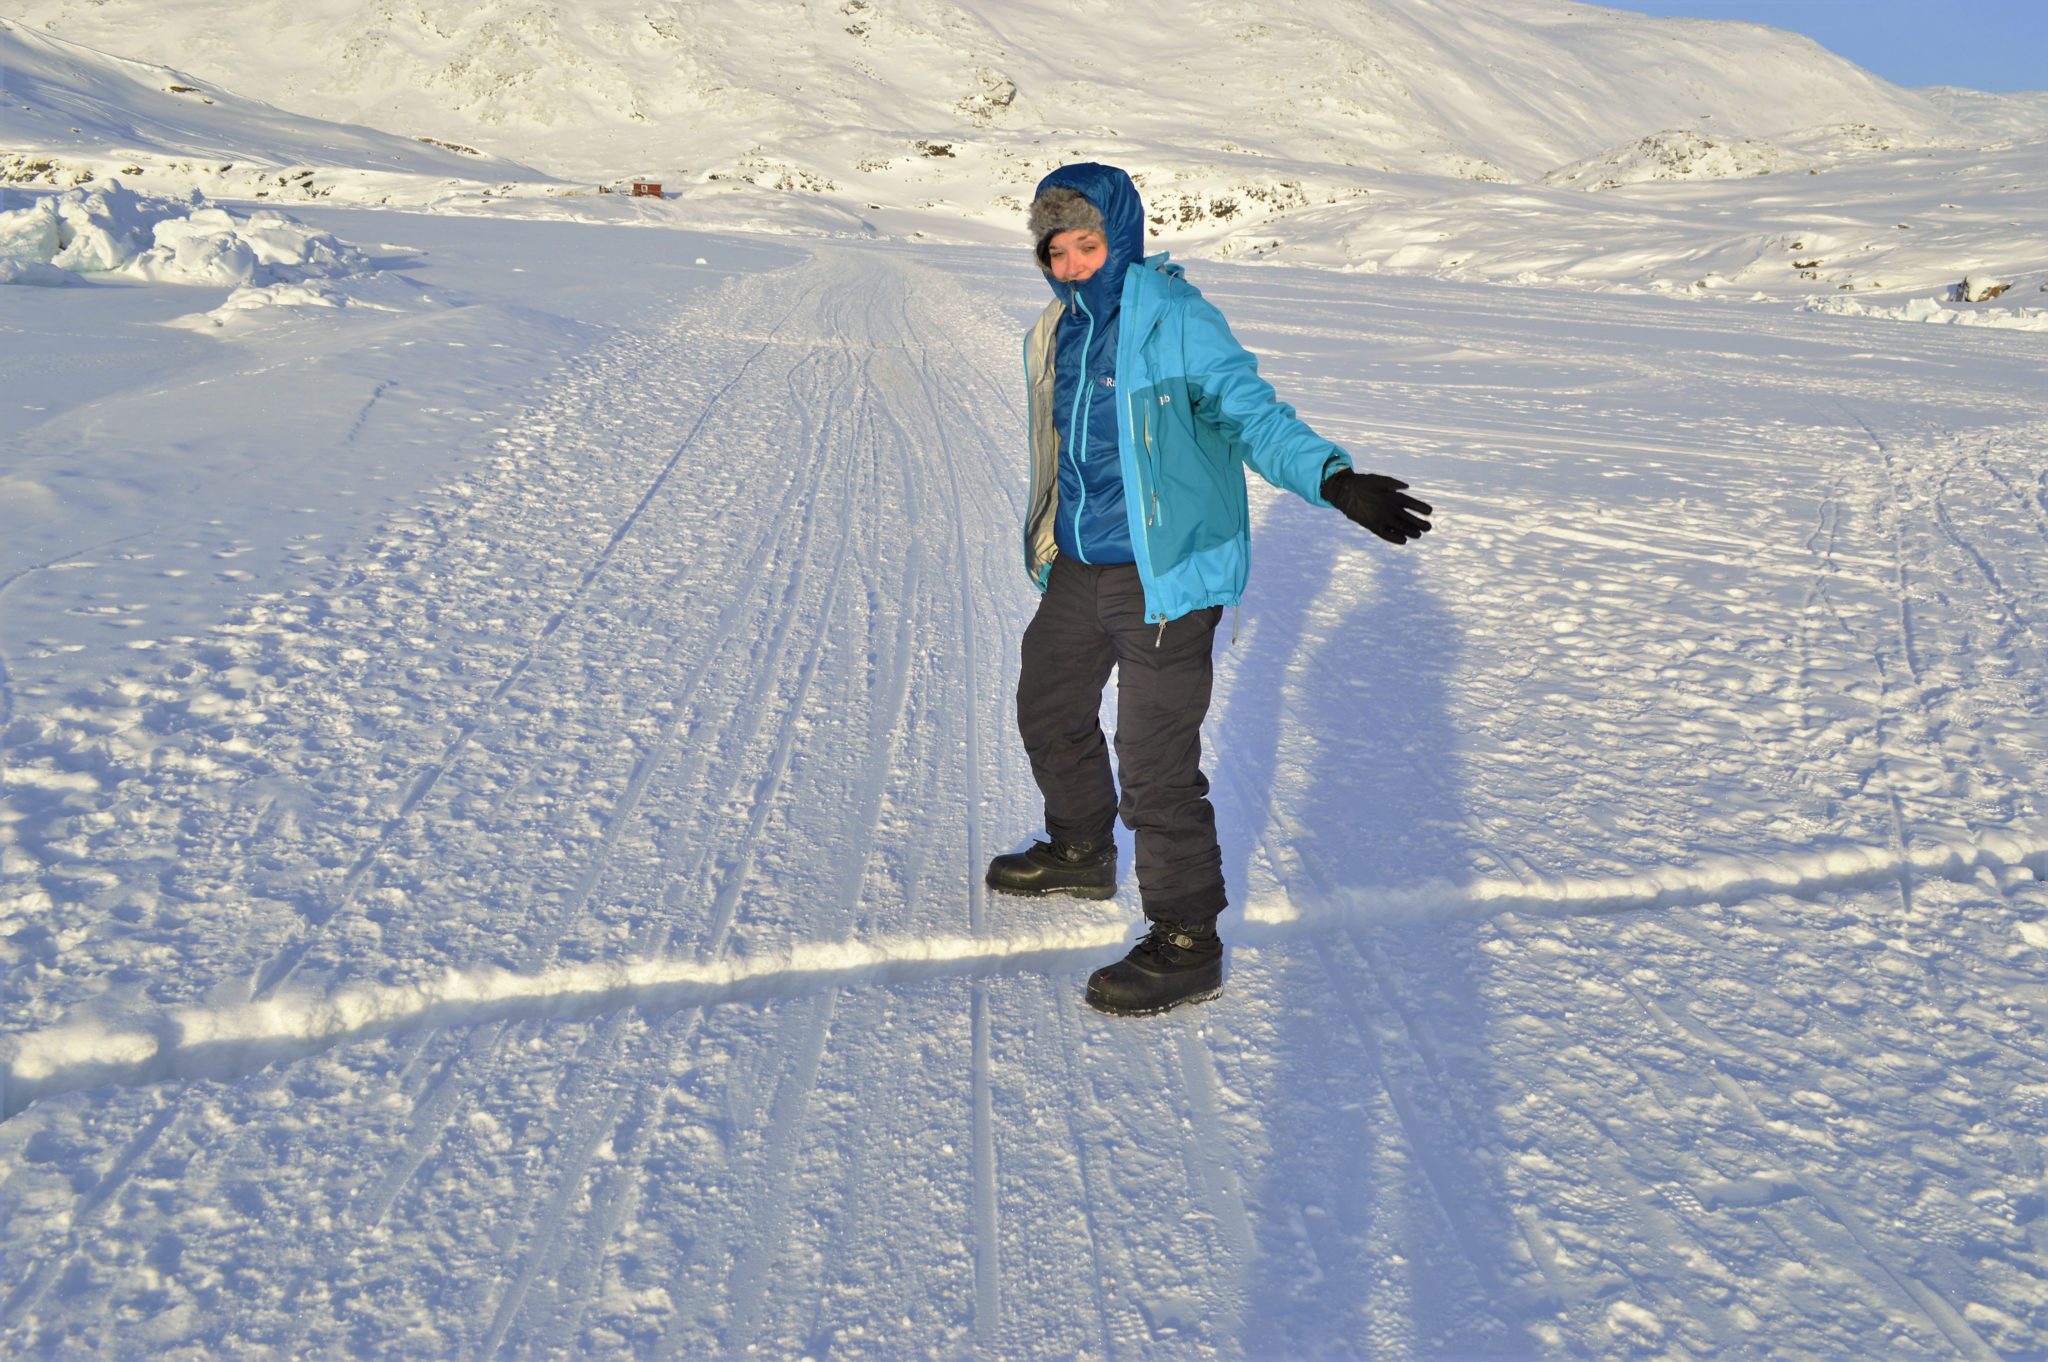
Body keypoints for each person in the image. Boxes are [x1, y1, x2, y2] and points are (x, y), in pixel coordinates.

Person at [984, 162, 1433, 1016]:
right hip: (1079, 566)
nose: (1073, 262)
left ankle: (1188, 939)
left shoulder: (1176, 320)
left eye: (1088, 243)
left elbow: (1250, 415)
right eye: (1057, 248)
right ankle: (1080, 849)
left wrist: (1332, 480)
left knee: (1155, 766)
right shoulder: (1055, 330)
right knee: (1046, 705)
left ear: (1121, 238)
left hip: (1168, 575)